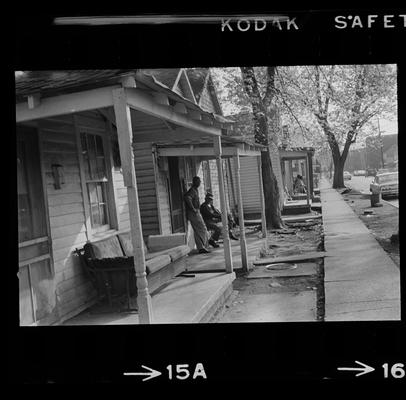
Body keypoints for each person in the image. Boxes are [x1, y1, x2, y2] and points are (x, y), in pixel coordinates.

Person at [184, 176, 211, 254]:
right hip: (194, 213)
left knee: (197, 230)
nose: (199, 183)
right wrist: (193, 208)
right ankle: (202, 246)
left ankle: (201, 247)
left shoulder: (195, 190)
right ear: (194, 182)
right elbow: (187, 197)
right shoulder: (192, 190)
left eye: (200, 182)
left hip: (195, 212)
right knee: (202, 228)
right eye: (198, 181)